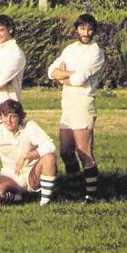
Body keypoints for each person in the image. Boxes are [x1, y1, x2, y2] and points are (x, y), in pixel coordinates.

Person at [47, 14, 105, 202]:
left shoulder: (95, 52)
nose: (86, 33)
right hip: (67, 104)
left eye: (89, 29)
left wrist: (61, 77)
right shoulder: (70, 49)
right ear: (76, 29)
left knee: (83, 151)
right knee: (65, 151)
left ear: (94, 30)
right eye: (82, 28)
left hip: (83, 103)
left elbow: (79, 80)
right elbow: (50, 71)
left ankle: (91, 195)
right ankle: (74, 190)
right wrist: (66, 75)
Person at [0, 99, 57, 206]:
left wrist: (26, 156)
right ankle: (12, 196)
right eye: (5, 116)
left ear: (20, 117)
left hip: (31, 173)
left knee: (49, 158)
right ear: (1, 117)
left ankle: (44, 202)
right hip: (9, 175)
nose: (9, 120)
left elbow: (51, 146)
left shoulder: (29, 126)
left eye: (13, 116)